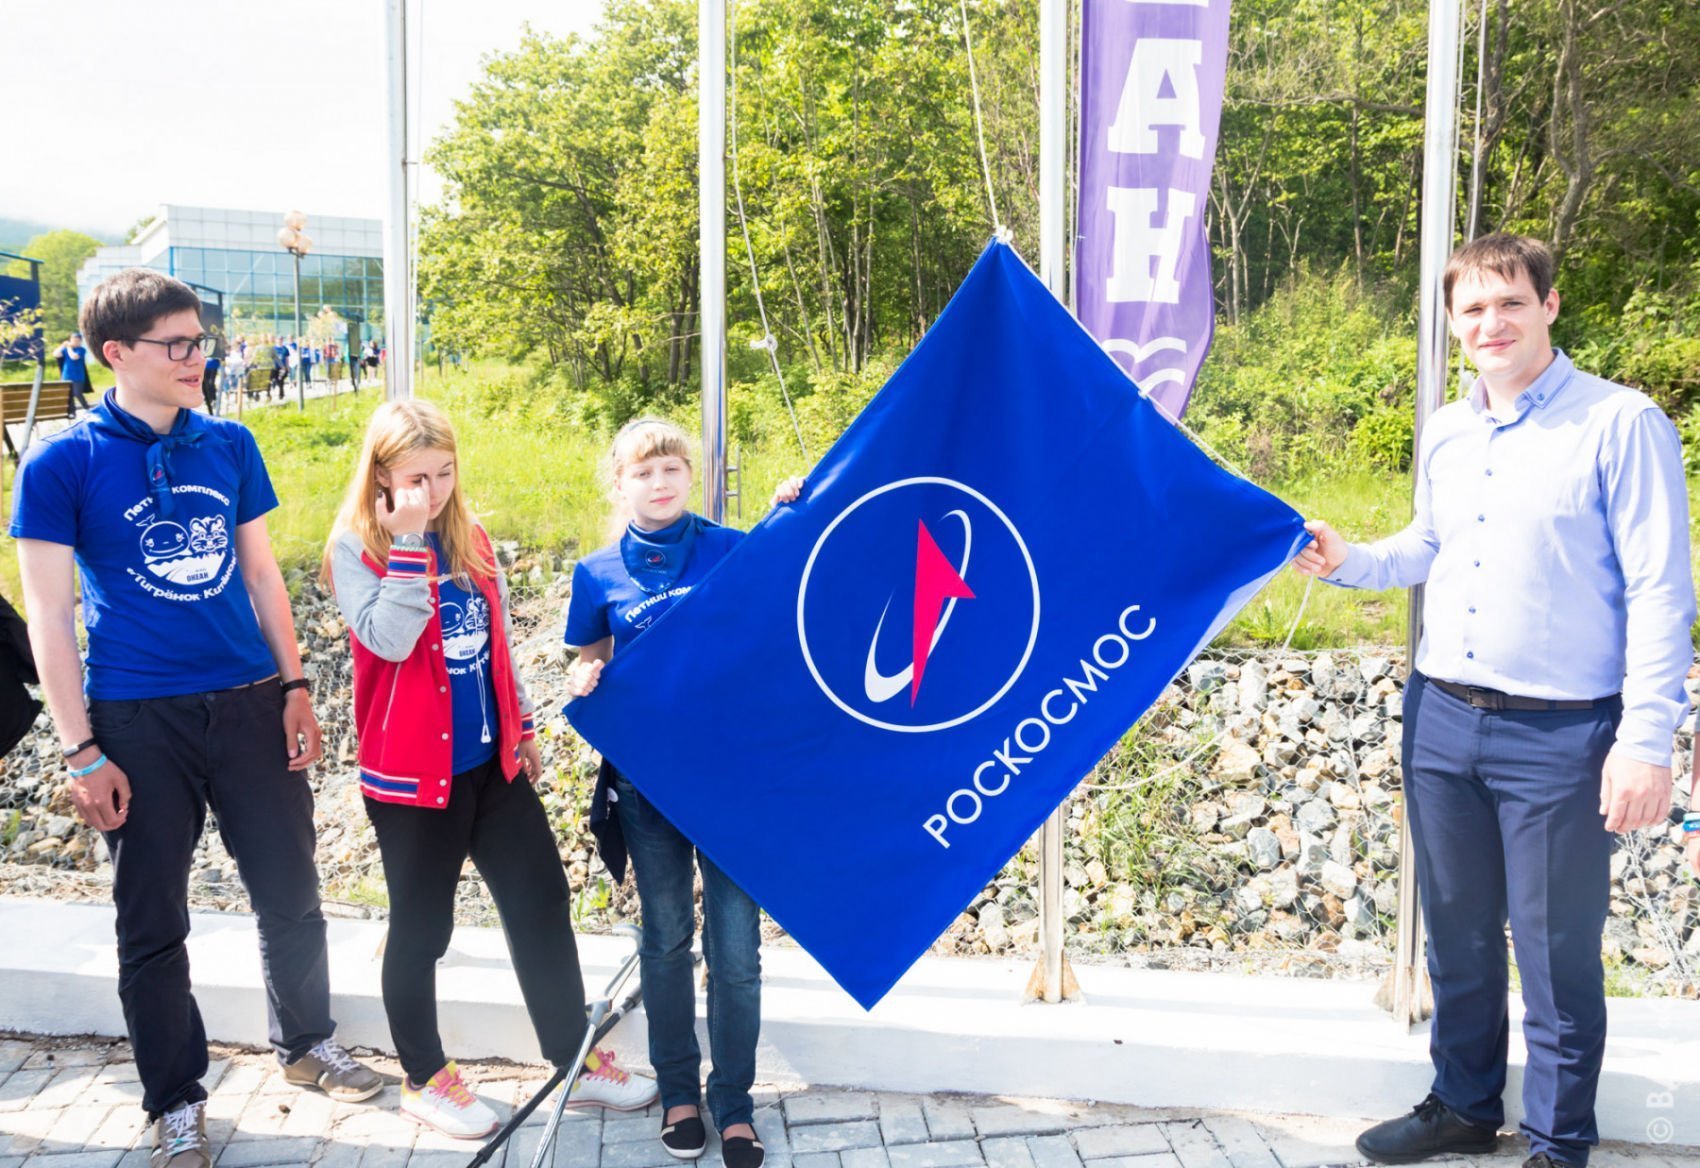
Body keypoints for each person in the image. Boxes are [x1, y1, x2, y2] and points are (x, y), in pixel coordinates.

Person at [1295, 233, 1695, 1168]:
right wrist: (1349, 559)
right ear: (1452, 322)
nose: (1492, 323)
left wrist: (1648, 740)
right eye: (1472, 309)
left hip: (1563, 734)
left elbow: (1661, 592)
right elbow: (1427, 547)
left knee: (1556, 955)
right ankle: (1465, 1107)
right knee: (1459, 934)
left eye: (1510, 302)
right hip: (1441, 719)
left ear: (1549, 306)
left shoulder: (1621, 423)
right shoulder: (1447, 429)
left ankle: (1558, 1144)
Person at [10, 269, 383, 1168]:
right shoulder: (62, 463)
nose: (197, 358)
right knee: (152, 922)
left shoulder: (230, 443)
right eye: (176, 344)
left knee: (290, 892)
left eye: (200, 342)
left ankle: (307, 1044)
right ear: (116, 353)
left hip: (250, 702)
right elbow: (49, 617)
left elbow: (260, 575)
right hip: (136, 719)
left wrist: (295, 687)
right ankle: (175, 1100)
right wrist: (80, 749)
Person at [324, 400, 658, 1138]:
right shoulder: (356, 549)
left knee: (541, 901)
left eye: (445, 473)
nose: (434, 490)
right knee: (423, 929)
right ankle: (424, 1078)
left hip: (491, 766)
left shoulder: (468, 536)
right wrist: (408, 542)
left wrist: (523, 726)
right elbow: (389, 638)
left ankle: (572, 1059)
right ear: (382, 474)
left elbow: (496, 644)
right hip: (414, 782)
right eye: (417, 477)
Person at [564, 418, 801, 1168]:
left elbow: (791, 571)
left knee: (736, 954)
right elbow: (589, 656)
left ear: (690, 476)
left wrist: (795, 506)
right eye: (643, 472)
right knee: (665, 942)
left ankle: (734, 1103)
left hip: (733, 788)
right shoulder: (596, 573)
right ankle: (678, 1094)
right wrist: (583, 675)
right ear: (620, 483)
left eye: (671, 468)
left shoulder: (731, 549)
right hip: (647, 790)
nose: (659, 482)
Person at [56, 332, 93, 409]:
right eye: (73, 340)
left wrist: (69, 348)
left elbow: (74, 357)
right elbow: (56, 354)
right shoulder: (66, 349)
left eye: (77, 340)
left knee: (77, 393)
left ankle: (86, 408)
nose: (75, 342)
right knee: (68, 395)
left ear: (80, 341)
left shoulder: (81, 350)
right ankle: (72, 412)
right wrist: (63, 345)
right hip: (66, 376)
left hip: (77, 376)